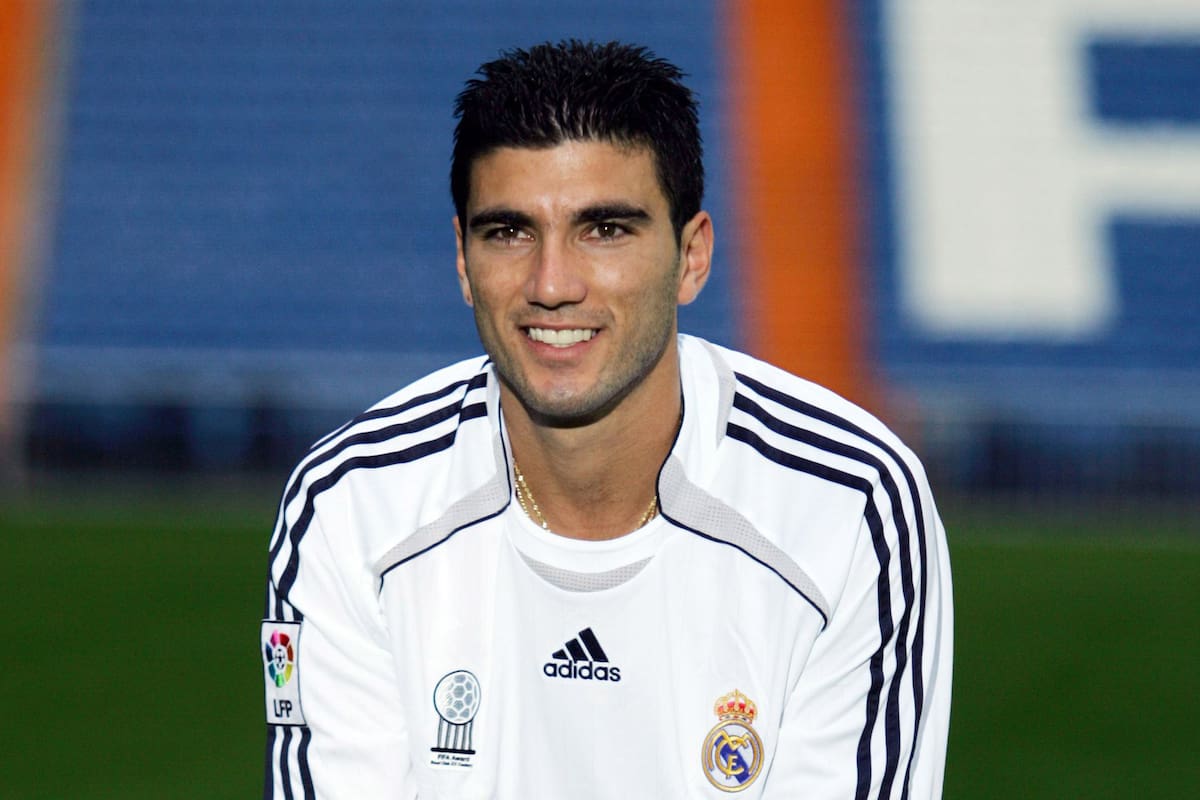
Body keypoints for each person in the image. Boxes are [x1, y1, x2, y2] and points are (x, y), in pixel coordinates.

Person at [262, 40, 952, 799]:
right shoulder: (351, 505)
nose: (552, 284)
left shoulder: (849, 504)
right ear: (463, 262)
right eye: (509, 232)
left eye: (606, 230)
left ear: (692, 257)